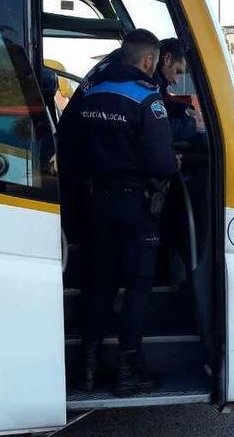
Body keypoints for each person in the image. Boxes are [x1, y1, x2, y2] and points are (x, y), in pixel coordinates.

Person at [57, 29, 179, 396]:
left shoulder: (91, 92)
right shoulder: (147, 98)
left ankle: (89, 368)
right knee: (138, 287)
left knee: (100, 285)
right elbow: (160, 163)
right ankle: (128, 373)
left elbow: (69, 145)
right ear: (148, 61)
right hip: (135, 207)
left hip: (96, 203)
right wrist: (174, 162)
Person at [154, 38, 199, 143]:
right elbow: (159, 129)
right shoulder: (151, 85)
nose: (176, 82)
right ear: (167, 59)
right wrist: (194, 124)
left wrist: (183, 110)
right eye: (178, 71)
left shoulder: (157, 81)